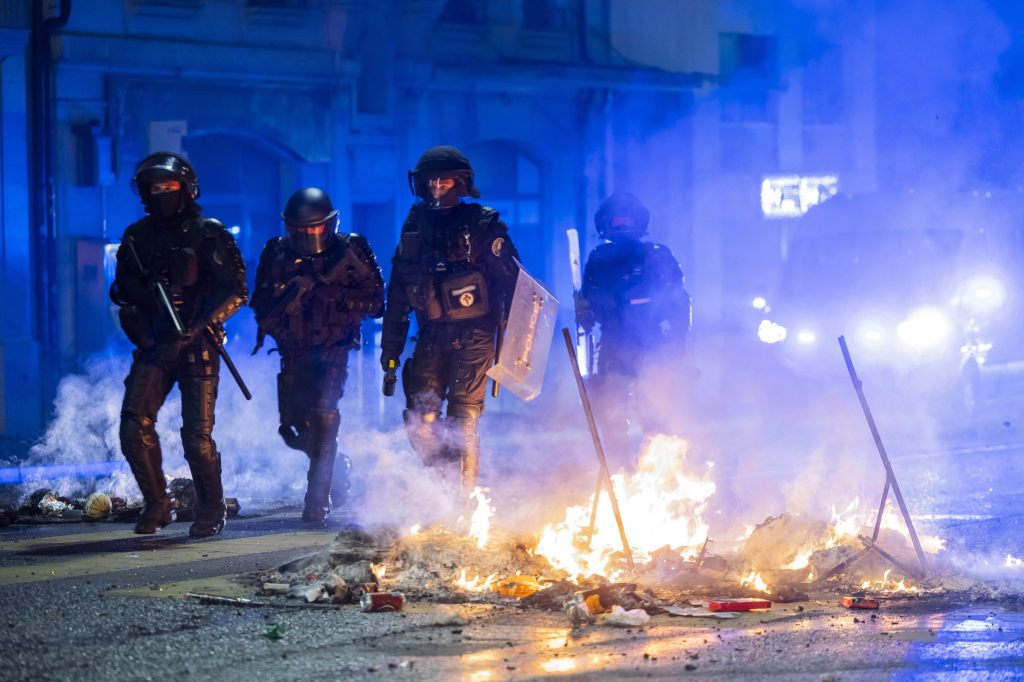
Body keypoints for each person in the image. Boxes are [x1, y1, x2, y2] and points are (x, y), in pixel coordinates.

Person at [110, 152, 248, 537]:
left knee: (195, 438)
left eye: (170, 187)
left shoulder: (207, 232)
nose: (163, 194)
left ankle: (211, 508)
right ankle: (158, 504)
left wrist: (202, 323)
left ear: (186, 189)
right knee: (133, 426)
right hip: (155, 342)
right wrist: (147, 292)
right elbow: (121, 288)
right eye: (155, 188)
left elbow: (236, 290)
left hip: (197, 342)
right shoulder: (137, 237)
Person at [380, 146, 520, 491]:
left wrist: (512, 344)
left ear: (460, 183)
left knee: (462, 424)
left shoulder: (484, 224)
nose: (437, 188)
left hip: (476, 335)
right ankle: (445, 482)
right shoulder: (414, 225)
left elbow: (514, 284)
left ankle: (465, 504)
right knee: (421, 423)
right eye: (431, 182)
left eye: (444, 181)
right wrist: (391, 351)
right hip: (431, 335)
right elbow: (398, 292)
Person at [250, 188, 384, 526]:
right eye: (302, 230)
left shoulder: (351, 249)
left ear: (328, 224)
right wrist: (274, 320)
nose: (309, 236)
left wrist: (334, 295)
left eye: (315, 229)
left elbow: (376, 301)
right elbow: (261, 300)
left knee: (325, 418)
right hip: (293, 351)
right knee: (293, 430)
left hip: (334, 348)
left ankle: (316, 503)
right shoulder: (276, 253)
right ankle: (336, 468)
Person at [575, 193, 691, 467]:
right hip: (616, 343)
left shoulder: (659, 256)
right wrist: (584, 311)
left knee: (655, 410)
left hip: (651, 345)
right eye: (617, 220)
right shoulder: (599, 259)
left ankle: (657, 471)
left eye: (626, 219)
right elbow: (590, 303)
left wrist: (676, 344)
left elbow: (678, 303)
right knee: (613, 414)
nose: (622, 225)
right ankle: (619, 471)